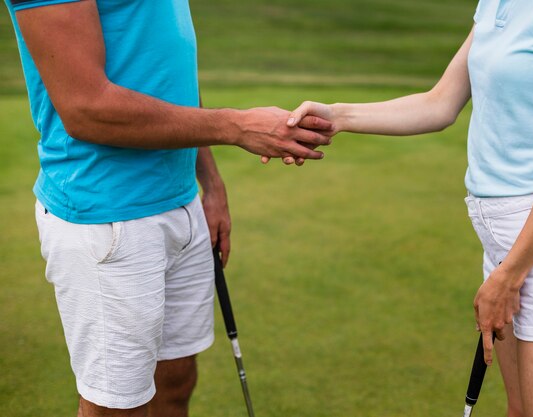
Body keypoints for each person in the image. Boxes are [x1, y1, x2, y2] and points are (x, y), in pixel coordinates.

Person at [273, 1, 533, 416]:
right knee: (519, 410)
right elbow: (440, 103)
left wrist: (510, 275)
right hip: (504, 243)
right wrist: (335, 116)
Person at [4, 0, 334, 416]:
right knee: (118, 408)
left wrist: (209, 184)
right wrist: (235, 126)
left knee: (175, 383)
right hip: (108, 213)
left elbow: (169, 71)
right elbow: (87, 108)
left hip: (182, 201)